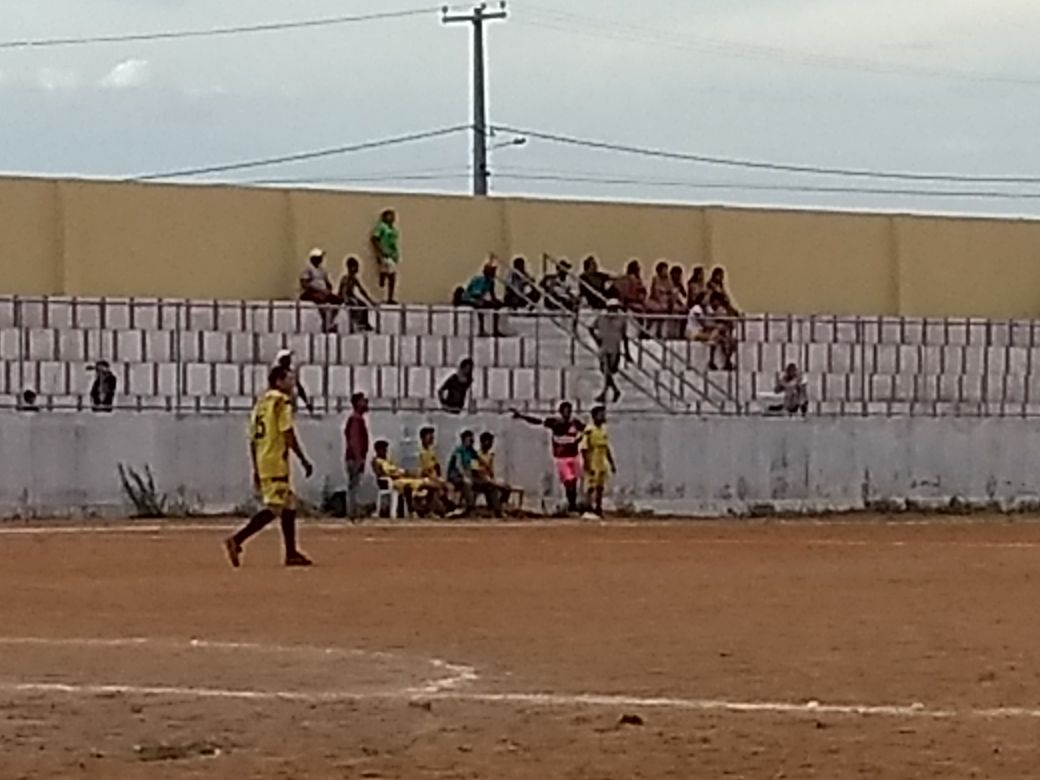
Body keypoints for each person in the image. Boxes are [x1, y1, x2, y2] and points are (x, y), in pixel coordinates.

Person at [225, 364, 314, 568]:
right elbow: (287, 432)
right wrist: (303, 459)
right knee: (275, 508)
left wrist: (256, 467)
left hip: (264, 459)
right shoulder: (281, 402)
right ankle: (237, 540)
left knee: (289, 504)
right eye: (289, 379)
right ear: (279, 381)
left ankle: (291, 553)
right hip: (276, 460)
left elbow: (252, 439)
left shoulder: (260, 404)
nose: (293, 384)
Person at [511, 402, 585, 514]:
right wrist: (522, 416)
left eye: (569, 410)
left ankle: (572, 504)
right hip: (561, 458)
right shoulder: (555, 423)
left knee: (573, 482)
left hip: (573, 456)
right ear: (561, 412)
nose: (567, 413)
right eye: (565, 411)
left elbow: (587, 430)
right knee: (568, 481)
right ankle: (572, 505)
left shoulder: (575, 423)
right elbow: (537, 421)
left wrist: (579, 441)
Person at [447, 430, 502, 518]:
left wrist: (488, 469)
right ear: (464, 440)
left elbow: (480, 460)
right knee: (467, 485)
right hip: (456, 476)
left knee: (489, 485)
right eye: (470, 440)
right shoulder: (459, 451)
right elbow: (459, 466)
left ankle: (496, 510)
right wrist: (465, 476)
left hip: (469, 476)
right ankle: (470, 508)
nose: (472, 442)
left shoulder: (471, 451)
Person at [372, 440, 429, 517]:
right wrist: (404, 473)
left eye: (385, 449)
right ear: (377, 450)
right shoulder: (378, 461)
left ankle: (420, 508)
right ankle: (412, 509)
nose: (385, 451)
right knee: (409, 486)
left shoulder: (387, 460)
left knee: (419, 484)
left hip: (399, 479)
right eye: (383, 449)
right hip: (392, 482)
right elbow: (390, 472)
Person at [592, 298, 631, 403]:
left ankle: (612, 391)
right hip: (604, 347)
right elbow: (591, 328)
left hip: (615, 348)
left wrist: (627, 352)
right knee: (605, 369)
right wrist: (597, 339)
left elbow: (624, 337)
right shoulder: (601, 318)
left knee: (608, 371)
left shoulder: (621, 320)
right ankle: (611, 391)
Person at [580, 405, 616, 520]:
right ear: (595, 416)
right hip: (593, 461)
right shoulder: (589, 430)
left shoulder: (603, 430)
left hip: (601, 461)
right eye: (601, 414)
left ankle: (598, 508)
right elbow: (584, 448)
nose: (603, 416)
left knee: (600, 487)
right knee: (591, 486)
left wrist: (611, 463)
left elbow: (606, 447)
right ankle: (587, 508)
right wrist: (587, 463)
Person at [299, 248, 342, 333]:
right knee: (322, 301)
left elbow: (328, 282)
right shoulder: (308, 269)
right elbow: (305, 284)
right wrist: (319, 290)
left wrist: (329, 289)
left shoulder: (322, 270)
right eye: (318, 257)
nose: (320, 259)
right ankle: (326, 324)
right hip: (311, 293)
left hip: (323, 292)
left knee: (338, 300)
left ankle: (331, 321)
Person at [344, 392, 370, 522]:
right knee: (354, 486)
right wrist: (359, 457)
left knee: (354, 485)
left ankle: (353, 512)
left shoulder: (357, 419)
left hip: (354, 457)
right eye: (363, 401)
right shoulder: (356, 419)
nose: (366, 403)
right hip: (355, 458)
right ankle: (353, 513)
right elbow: (354, 440)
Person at [461, 262, 506, 337]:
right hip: (470, 298)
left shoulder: (491, 282)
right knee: (480, 305)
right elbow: (476, 293)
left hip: (479, 298)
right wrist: (486, 301)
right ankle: (481, 329)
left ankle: (495, 330)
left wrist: (496, 301)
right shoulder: (480, 280)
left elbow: (492, 294)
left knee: (496, 306)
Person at [337, 256, 375, 333]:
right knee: (354, 305)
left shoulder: (354, 278)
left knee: (363, 305)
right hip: (344, 297)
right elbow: (343, 291)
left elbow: (362, 290)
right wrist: (347, 300)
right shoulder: (346, 278)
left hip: (351, 296)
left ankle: (365, 323)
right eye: (356, 267)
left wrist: (370, 301)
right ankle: (353, 323)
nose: (357, 269)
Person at [371, 209, 400, 304]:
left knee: (392, 276)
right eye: (390, 216)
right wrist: (380, 252)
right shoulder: (381, 227)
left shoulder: (393, 229)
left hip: (392, 255)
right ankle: (387, 294)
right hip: (385, 254)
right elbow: (374, 239)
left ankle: (390, 296)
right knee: (391, 276)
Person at [477, 431, 513, 510]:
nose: (490, 444)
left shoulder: (490, 456)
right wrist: (489, 480)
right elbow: (477, 472)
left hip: (488, 479)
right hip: (480, 480)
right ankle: (496, 507)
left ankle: (499, 505)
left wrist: (493, 479)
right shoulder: (477, 455)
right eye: (489, 442)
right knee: (492, 487)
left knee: (507, 487)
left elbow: (491, 471)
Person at [646, 261, 680, 338]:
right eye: (664, 269)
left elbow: (672, 291)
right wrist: (665, 292)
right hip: (656, 301)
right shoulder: (655, 279)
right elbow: (656, 293)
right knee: (659, 308)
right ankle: (651, 332)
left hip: (667, 302)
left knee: (676, 309)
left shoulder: (669, 280)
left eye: (666, 269)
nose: (666, 272)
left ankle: (672, 334)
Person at [706, 291, 737, 371]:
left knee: (728, 343)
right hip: (715, 331)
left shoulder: (725, 309)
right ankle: (711, 361)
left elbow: (730, 320)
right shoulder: (710, 309)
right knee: (714, 339)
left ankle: (728, 362)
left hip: (725, 332)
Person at [273, 349, 313, 413]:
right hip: (279, 404)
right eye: (286, 358)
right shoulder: (276, 371)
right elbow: (273, 387)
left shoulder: (291, 373)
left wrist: (306, 402)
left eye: (289, 358)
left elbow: (299, 388)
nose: (289, 360)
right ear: (281, 360)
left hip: (290, 403)